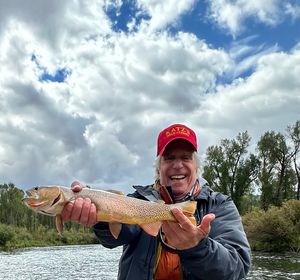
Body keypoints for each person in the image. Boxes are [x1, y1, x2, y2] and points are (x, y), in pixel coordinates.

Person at [61, 123, 251, 280]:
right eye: (169, 158)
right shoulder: (138, 200)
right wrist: (99, 214)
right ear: (158, 167)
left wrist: (198, 248)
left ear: (196, 166)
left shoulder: (219, 205)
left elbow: (237, 268)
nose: (178, 165)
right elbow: (116, 237)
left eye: (185, 157)